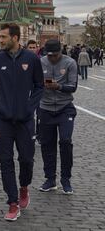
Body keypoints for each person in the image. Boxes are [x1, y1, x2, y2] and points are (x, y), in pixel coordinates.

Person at [0, 23, 43, 222]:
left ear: (15, 38)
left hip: (25, 120)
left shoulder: (31, 59)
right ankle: (12, 202)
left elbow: (39, 86)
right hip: (3, 121)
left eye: (3, 37)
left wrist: (30, 108)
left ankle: (24, 187)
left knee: (26, 159)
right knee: (5, 161)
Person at [39, 39, 78, 195]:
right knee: (47, 145)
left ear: (60, 52)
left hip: (65, 108)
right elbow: (32, 83)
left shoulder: (70, 63)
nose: (52, 58)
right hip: (45, 108)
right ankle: (50, 179)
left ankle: (66, 179)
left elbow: (73, 87)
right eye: (49, 55)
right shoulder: (41, 62)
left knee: (65, 141)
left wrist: (58, 86)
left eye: (55, 55)